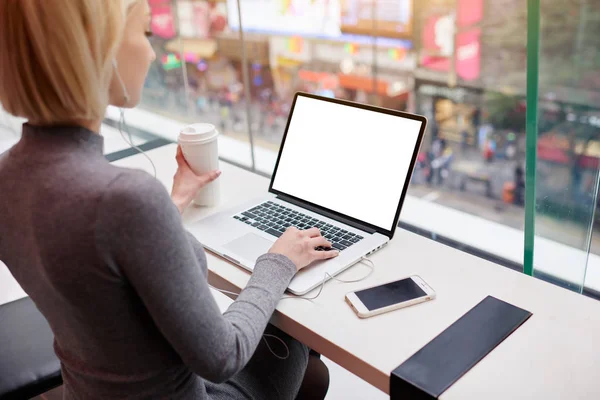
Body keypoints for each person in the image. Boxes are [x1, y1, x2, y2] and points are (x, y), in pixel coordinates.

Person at [0, 1, 337, 399]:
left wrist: (173, 201)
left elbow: (96, 252)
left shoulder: (9, 176)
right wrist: (279, 260)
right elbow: (223, 357)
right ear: (99, 51)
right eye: (144, 34)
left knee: (312, 375)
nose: (152, 52)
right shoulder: (126, 199)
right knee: (294, 336)